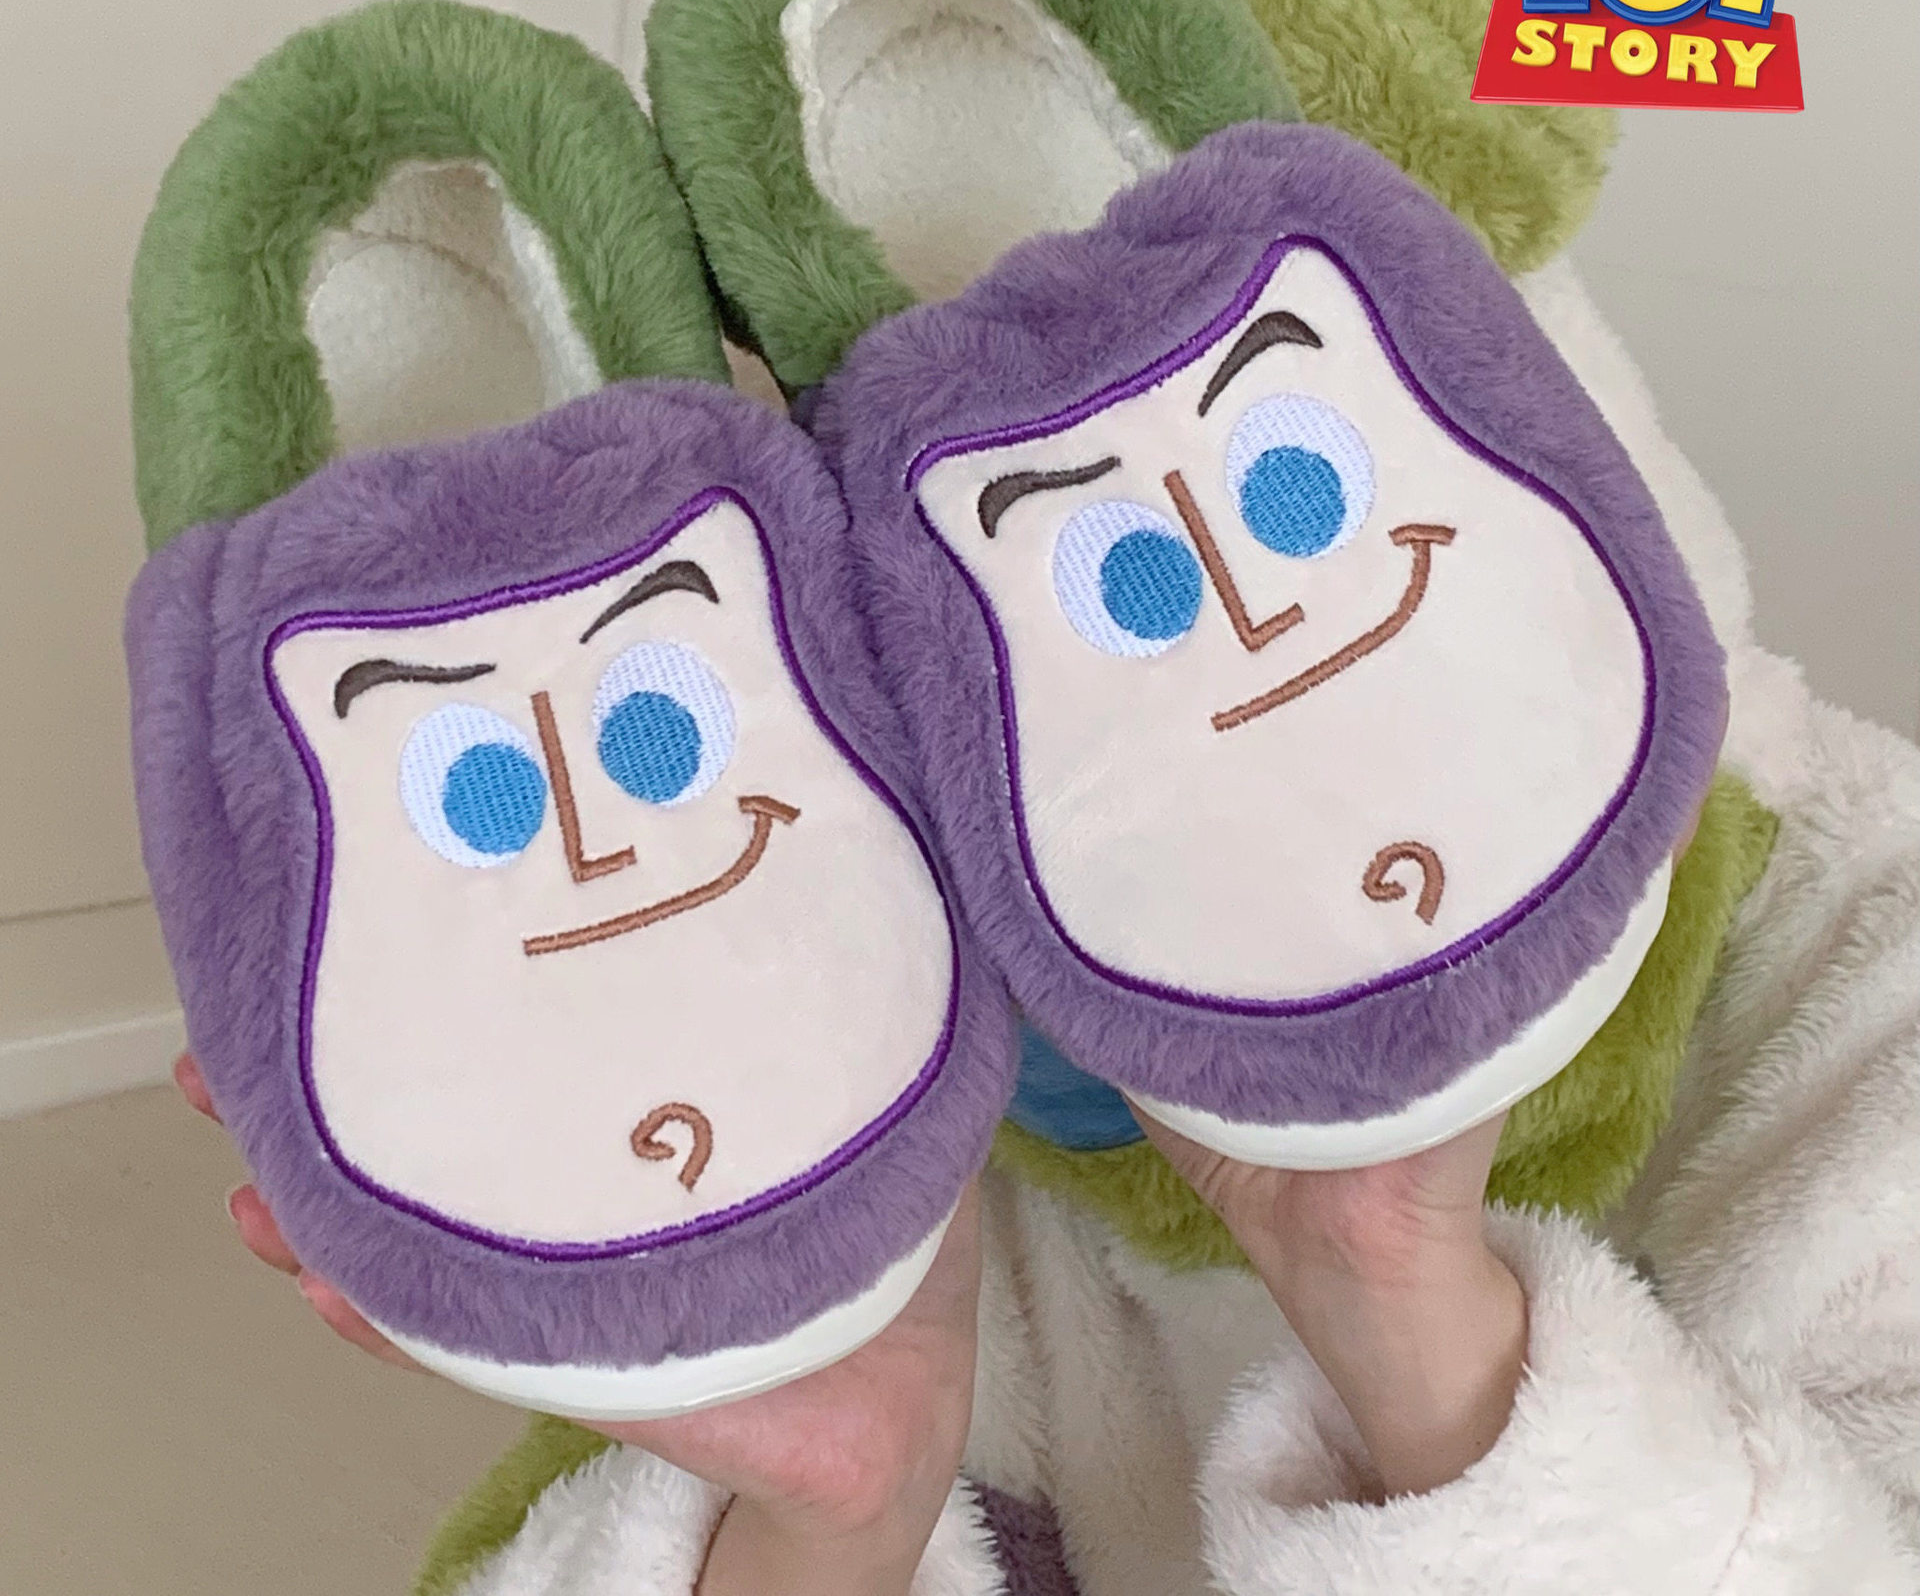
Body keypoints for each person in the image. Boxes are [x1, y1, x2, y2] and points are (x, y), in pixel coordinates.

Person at [174, 251, 1920, 1594]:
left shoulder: (1863, 954)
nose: (1249, 658)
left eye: (1291, 498)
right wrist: (838, 1518)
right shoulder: (834, 1109)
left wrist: (1404, 1299)